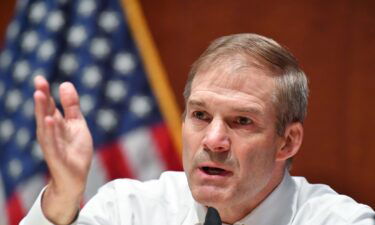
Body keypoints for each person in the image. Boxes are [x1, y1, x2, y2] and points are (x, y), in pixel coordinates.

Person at [21, 33, 374, 225]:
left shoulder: (338, 221)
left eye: (242, 121)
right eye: (201, 115)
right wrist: (64, 195)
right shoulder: (130, 211)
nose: (213, 140)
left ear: (288, 142)